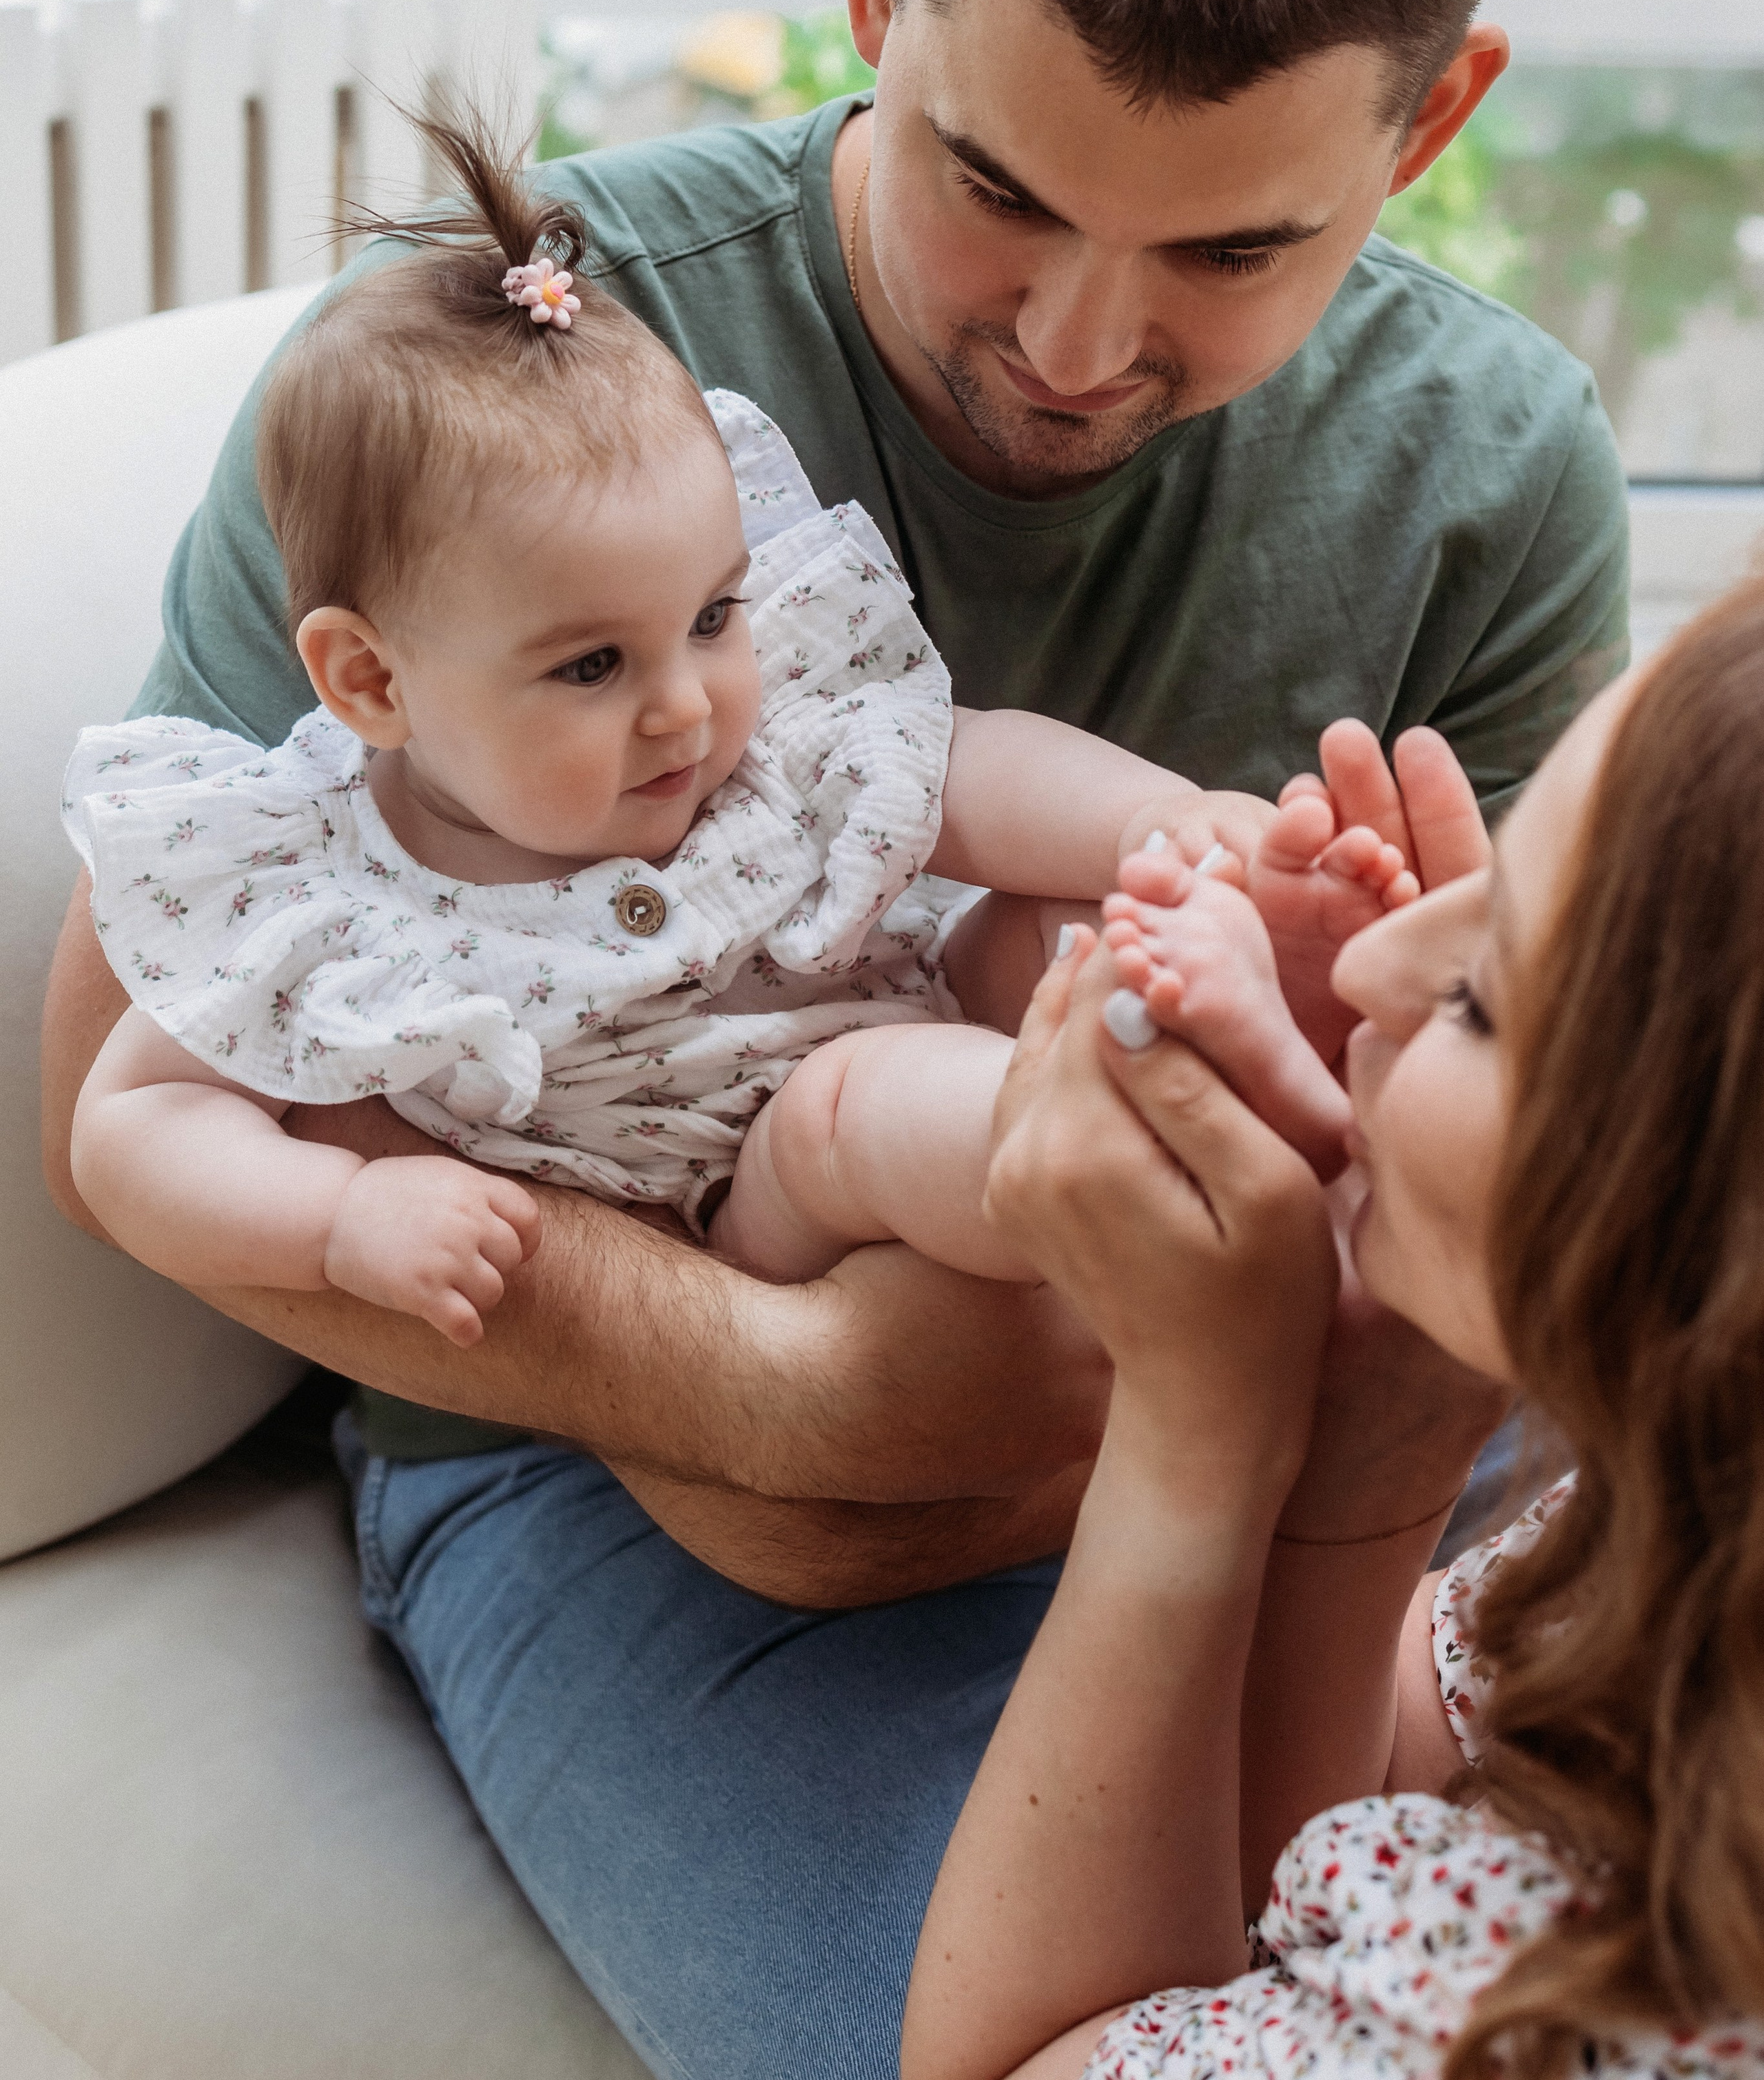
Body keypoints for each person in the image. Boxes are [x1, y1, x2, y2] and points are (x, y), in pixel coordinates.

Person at [40, 0, 1626, 2080]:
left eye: (1234, 249)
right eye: (1000, 187)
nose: (1083, 350)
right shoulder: (497, 389)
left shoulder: (1498, 472)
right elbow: (136, 1097)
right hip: (604, 1481)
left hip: (1294, 1402)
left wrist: (1301, 1301)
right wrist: (786, 1406)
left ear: (1434, 122)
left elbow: (1525, 1200)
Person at [63, 114, 1399, 1326]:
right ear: (371, 684)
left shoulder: (751, 742)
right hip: (746, 1216)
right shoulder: (320, 888)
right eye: (590, 667)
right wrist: (340, 1220)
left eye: (712, 615)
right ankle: (1124, 1151)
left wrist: (1173, 825)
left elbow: (962, 768)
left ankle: (1258, 1012)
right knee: (855, 1106)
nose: (687, 704)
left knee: (1075, 928)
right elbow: (131, 1124)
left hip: (928, 1006)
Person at [901, 581, 1764, 2080]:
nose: (1371, 973)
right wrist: (1386, 1390)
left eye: (1484, 993)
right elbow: (1310, 1853)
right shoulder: (1697, 1540)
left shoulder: (1559, 2056)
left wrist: (1195, 1436)